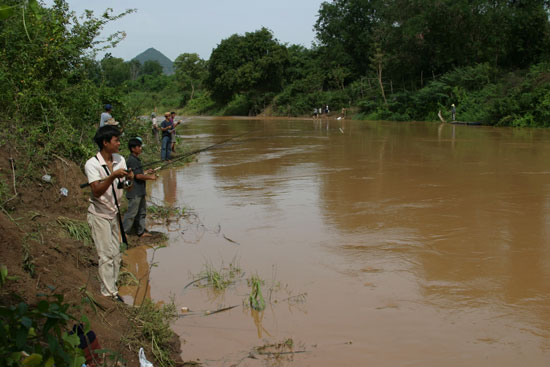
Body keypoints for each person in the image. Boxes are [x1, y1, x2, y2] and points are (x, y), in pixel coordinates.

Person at [84, 125, 134, 301]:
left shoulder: (120, 159)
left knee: (117, 254)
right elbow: (96, 191)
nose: (119, 143)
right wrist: (112, 176)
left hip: (114, 213)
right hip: (99, 214)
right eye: (116, 140)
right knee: (105, 255)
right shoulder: (92, 164)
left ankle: (112, 287)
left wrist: (129, 179)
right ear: (105, 143)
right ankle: (108, 293)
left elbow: (127, 187)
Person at [123, 138, 157, 238]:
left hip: (140, 191)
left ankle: (140, 232)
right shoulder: (132, 161)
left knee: (142, 212)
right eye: (139, 147)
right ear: (133, 148)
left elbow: (138, 173)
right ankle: (125, 233)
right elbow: (137, 176)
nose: (141, 148)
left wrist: (146, 172)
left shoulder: (136, 160)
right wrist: (151, 177)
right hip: (135, 192)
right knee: (132, 213)